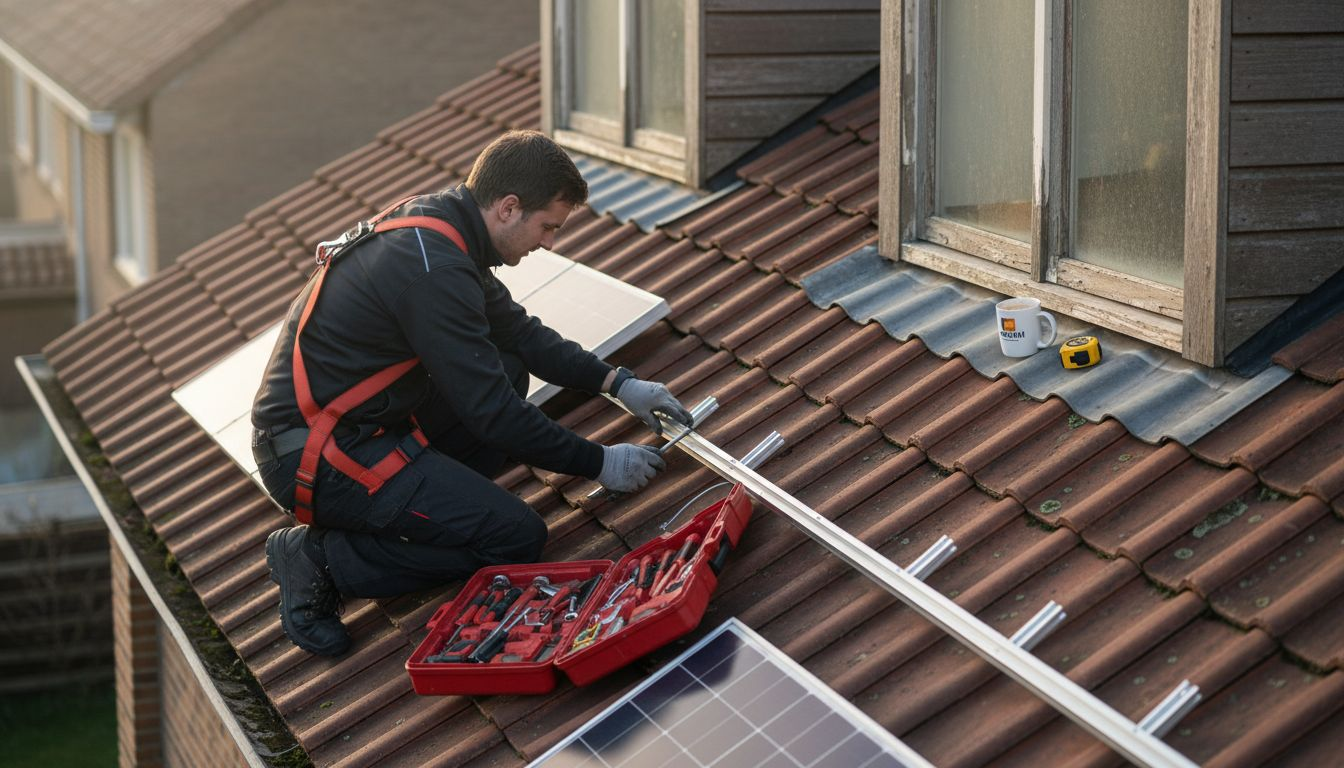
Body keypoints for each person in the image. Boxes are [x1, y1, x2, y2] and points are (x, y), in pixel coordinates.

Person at [250, 130, 691, 656]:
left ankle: (433, 502)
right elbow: (494, 418)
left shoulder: (439, 231)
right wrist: (599, 463)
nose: (548, 242)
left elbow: (520, 334)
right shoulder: (434, 269)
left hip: (367, 424)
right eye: (547, 226)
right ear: (508, 208)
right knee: (515, 537)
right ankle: (320, 559)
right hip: (318, 456)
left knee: (505, 367)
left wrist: (619, 383)